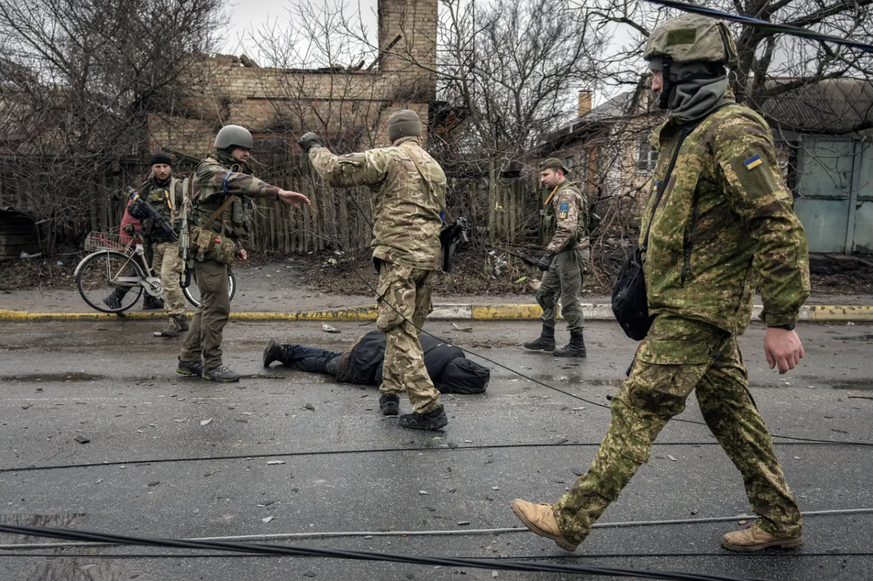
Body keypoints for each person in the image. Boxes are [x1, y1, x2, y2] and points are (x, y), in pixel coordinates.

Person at [510, 14, 810, 554]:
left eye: (658, 71)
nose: (651, 83)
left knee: (640, 404)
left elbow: (776, 223)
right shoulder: (686, 134)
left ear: (688, 72)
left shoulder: (734, 130)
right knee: (730, 414)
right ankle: (781, 520)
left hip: (700, 305)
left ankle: (571, 518)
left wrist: (782, 319)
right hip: (686, 302)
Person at [299, 109, 448, 430]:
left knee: (398, 329)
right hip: (430, 259)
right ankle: (390, 394)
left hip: (399, 258)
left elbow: (335, 171)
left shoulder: (389, 157)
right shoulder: (435, 167)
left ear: (392, 136)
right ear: (419, 135)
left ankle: (428, 407)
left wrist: (314, 147)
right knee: (406, 331)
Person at [176, 125, 310, 382]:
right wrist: (277, 192)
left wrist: (235, 246)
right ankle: (211, 365)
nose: (247, 154)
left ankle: (188, 359)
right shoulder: (209, 171)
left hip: (216, 249)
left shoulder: (230, 171)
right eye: (242, 149)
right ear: (227, 147)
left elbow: (221, 219)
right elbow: (234, 182)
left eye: (248, 150)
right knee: (218, 308)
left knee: (207, 306)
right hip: (206, 251)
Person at [263, 330, 490, 394]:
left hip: (377, 339)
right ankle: (282, 353)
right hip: (367, 359)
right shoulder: (426, 372)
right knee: (327, 365)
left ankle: (288, 349)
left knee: (331, 356)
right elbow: (383, 372)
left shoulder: (452, 352)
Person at [523, 158, 589, 357]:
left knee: (569, 300)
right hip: (560, 253)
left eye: (545, 175)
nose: (542, 179)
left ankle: (577, 345)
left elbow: (567, 229)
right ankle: (547, 337)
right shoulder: (557, 193)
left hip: (570, 253)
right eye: (541, 175)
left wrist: (549, 253)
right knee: (544, 293)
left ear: (559, 173)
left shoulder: (566, 194)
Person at [139, 152, 187, 337]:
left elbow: (192, 208)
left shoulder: (178, 187)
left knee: (168, 279)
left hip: (173, 242)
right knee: (165, 282)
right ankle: (181, 320)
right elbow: (134, 208)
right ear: (152, 168)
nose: (162, 170)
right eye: (158, 166)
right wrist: (136, 213)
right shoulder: (146, 188)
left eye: (165, 166)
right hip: (155, 242)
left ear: (170, 168)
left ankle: (175, 319)